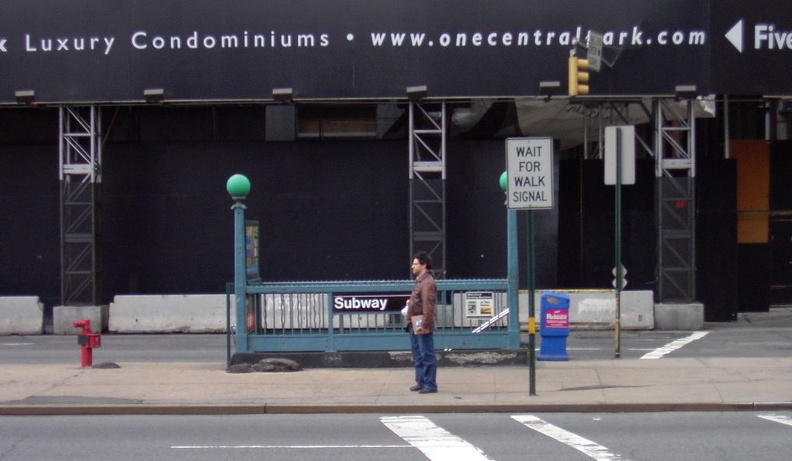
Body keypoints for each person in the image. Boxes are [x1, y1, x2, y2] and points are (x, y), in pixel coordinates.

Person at [406, 251, 438, 394]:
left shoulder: (427, 282)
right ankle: (421, 382)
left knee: (426, 354)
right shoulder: (421, 280)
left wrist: (425, 324)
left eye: (415, 264)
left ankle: (429, 384)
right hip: (415, 321)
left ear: (424, 265)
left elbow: (428, 305)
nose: (412, 266)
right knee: (419, 354)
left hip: (421, 322)